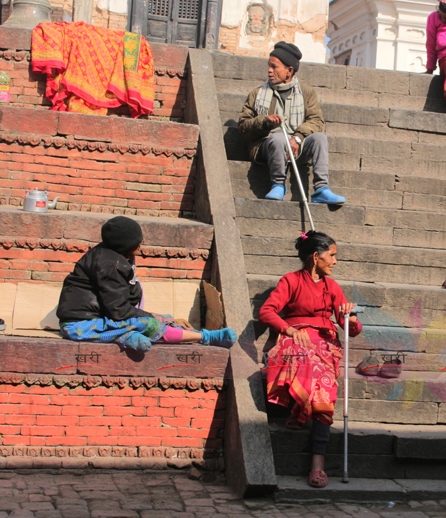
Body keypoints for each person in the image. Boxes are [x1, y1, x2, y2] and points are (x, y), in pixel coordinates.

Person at [259, 231, 361, 489]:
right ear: (316, 257)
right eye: (332, 255)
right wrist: (290, 330)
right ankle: (304, 412)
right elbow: (267, 311)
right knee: (308, 365)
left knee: (323, 382)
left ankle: (318, 462)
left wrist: (351, 318)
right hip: (295, 340)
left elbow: (350, 328)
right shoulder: (291, 281)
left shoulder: (333, 287)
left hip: (326, 345)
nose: (335, 261)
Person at [56, 216, 237, 351]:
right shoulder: (110, 266)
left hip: (102, 316)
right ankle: (205, 337)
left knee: (161, 318)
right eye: (138, 243)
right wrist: (155, 318)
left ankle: (128, 337)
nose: (141, 245)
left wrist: (166, 319)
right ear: (125, 245)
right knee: (148, 324)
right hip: (80, 326)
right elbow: (119, 311)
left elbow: (121, 302)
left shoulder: (119, 256)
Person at [238, 42, 346, 204]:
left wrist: (297, 137)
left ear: (289, 71)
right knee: (279, 138)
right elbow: (243, 126)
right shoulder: (258, 93)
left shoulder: (306, 92)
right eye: (269, 66)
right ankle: (278, 185)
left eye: (275, 67)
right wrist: (265, 122)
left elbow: (316, 120)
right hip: (267, 146)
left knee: (319, 138)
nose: (269, 70)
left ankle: (322, 189)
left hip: (297, 146)